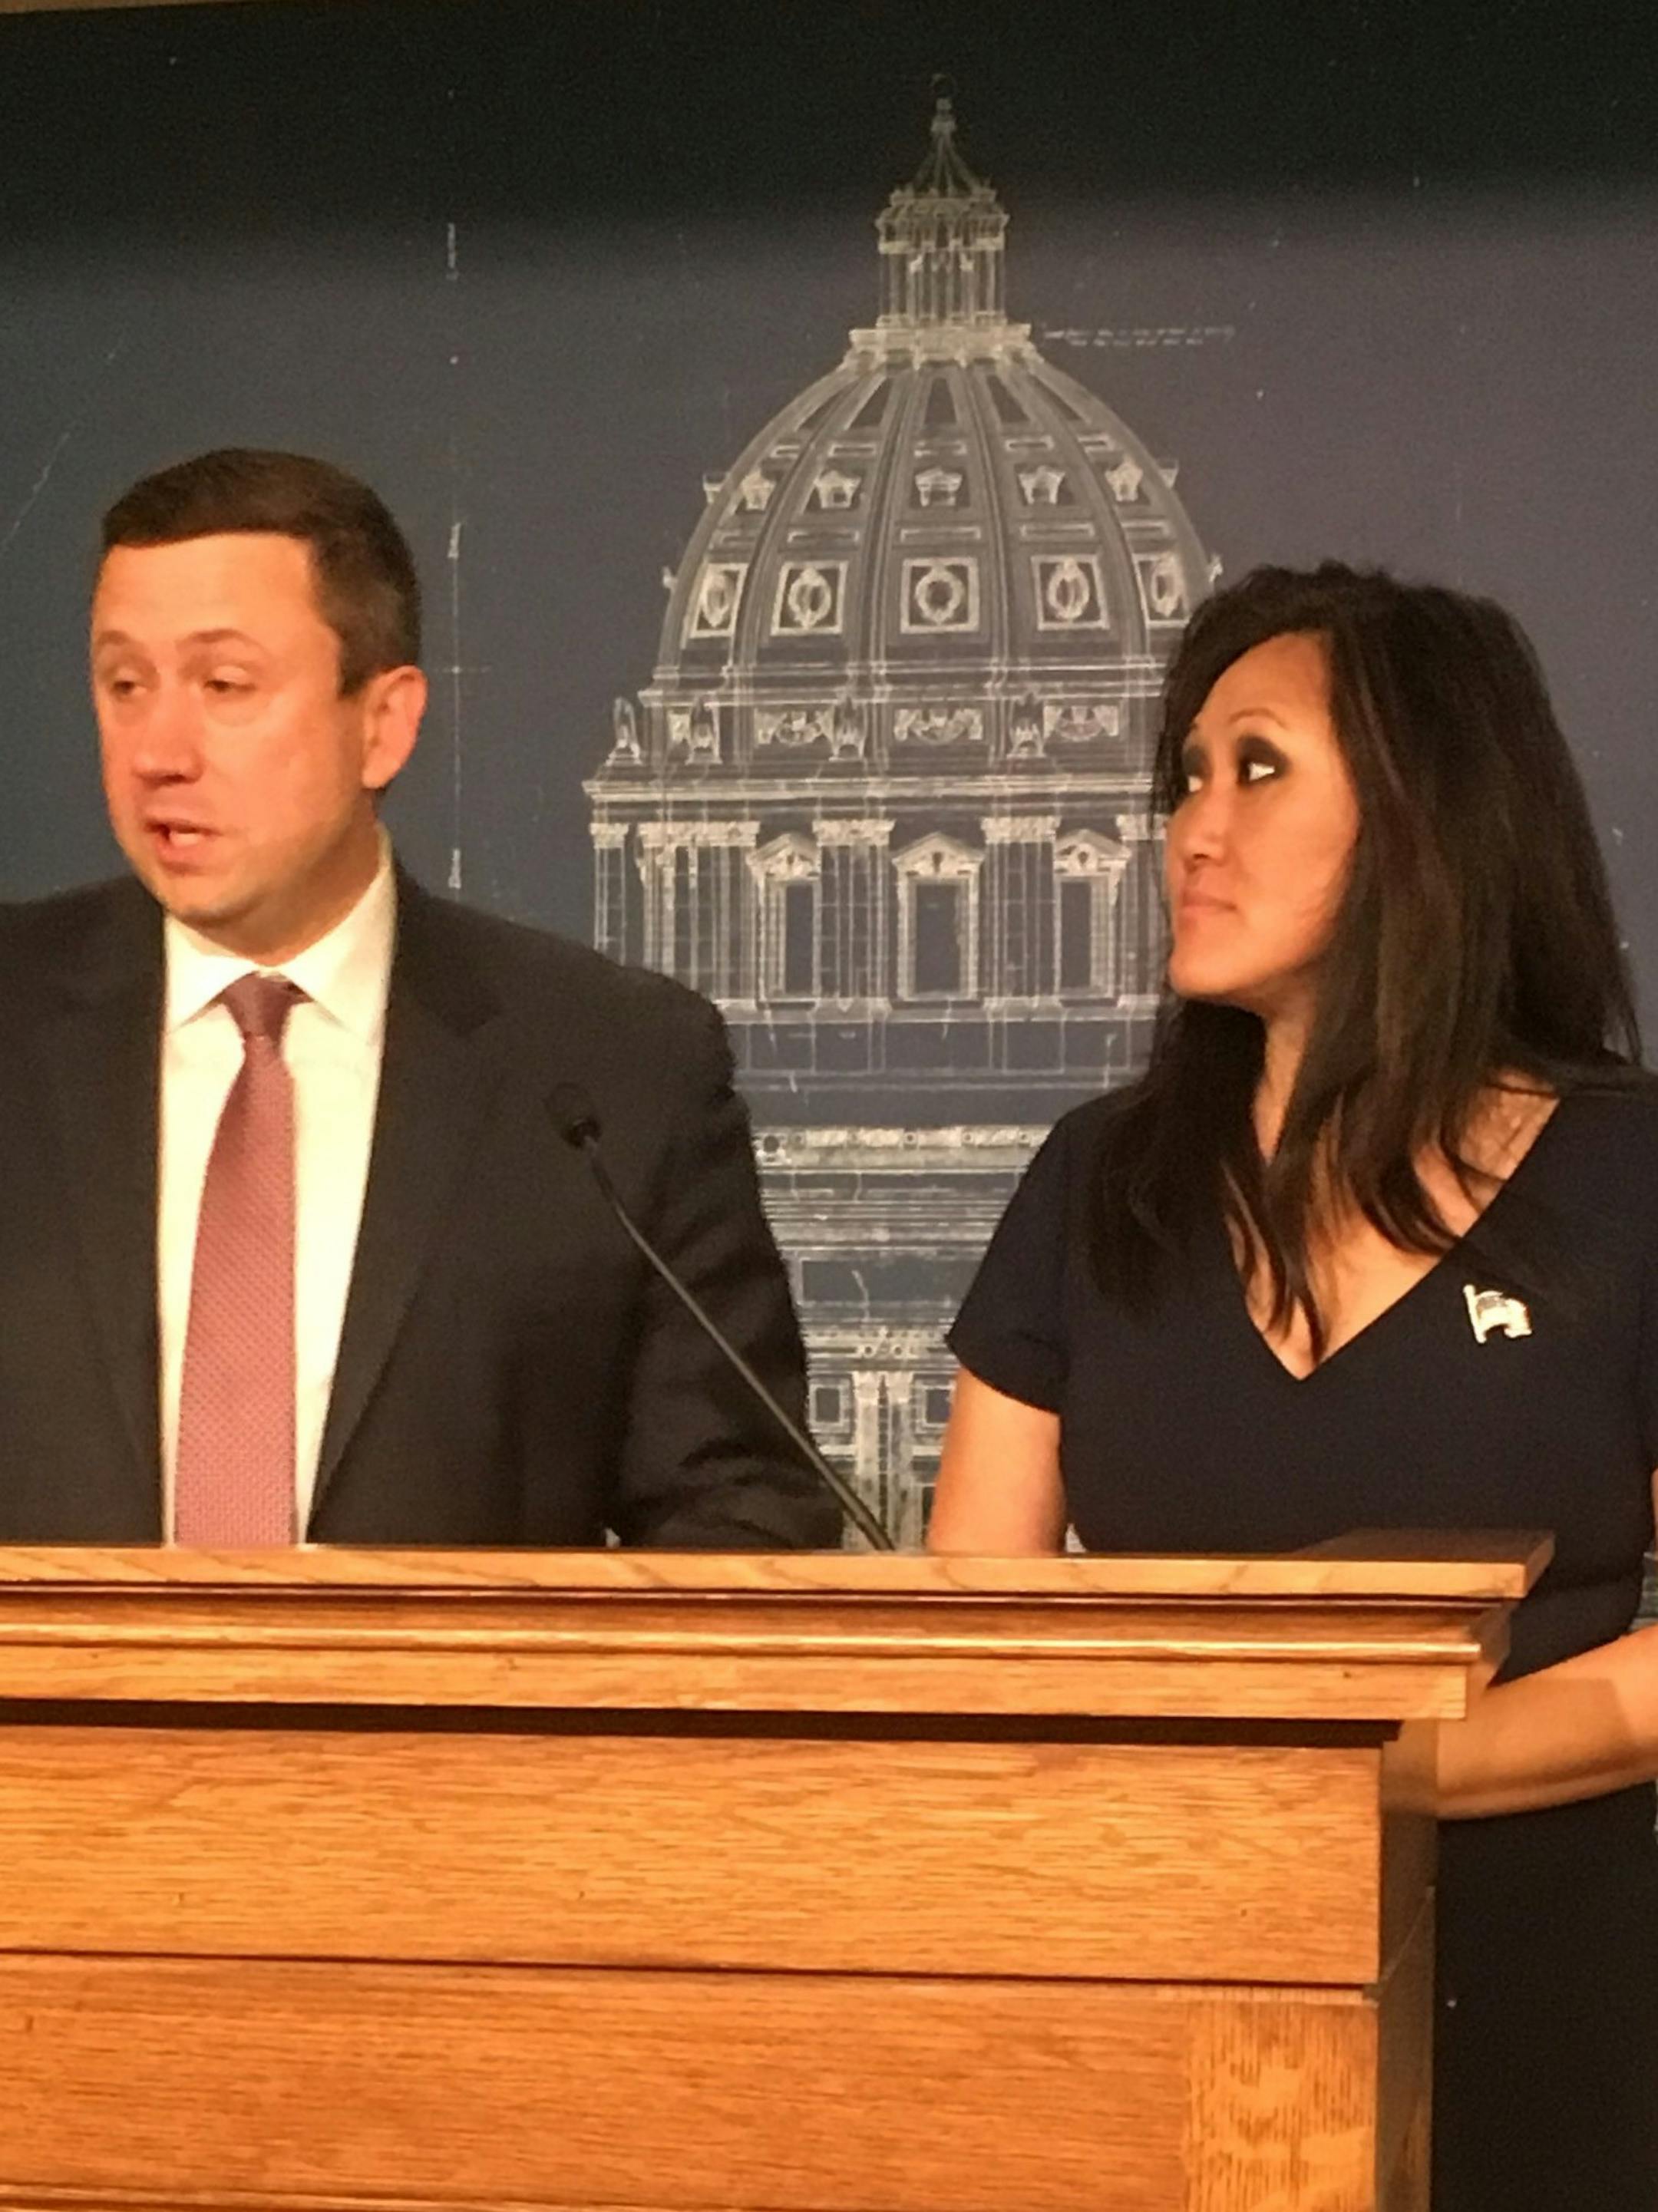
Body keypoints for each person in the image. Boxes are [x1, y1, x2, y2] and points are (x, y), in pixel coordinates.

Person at [930, 563, 1658, 2210]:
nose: (1194, 827)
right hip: (1162, 1998)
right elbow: (974, 1626)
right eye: (1183, 777)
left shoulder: (1633, 1176)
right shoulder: (1092, 1179)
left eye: (1258, 769)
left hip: (1562, 2003)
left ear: (1428, 814)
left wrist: (1364, 1772)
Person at [0, 446, 838, 1551]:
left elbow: (740, 1518)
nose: (158, 749)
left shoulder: (612, 1068)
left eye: (223, 685)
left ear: (383, 723)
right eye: (124, 685)